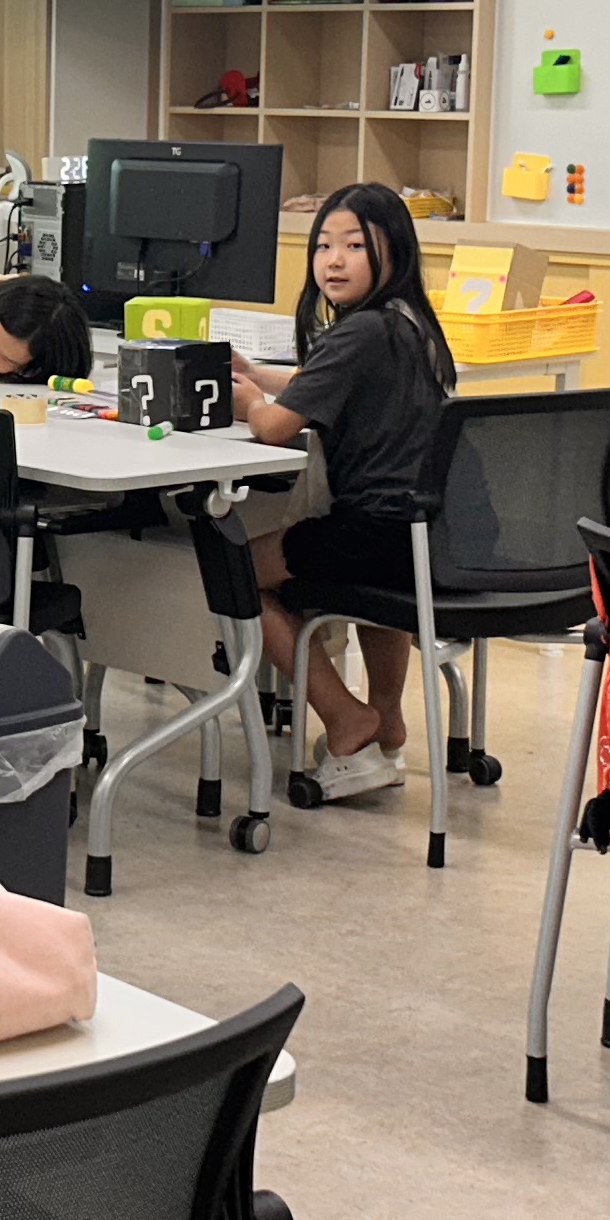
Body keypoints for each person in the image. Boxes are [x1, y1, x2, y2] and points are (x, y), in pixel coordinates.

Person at [229, 186, 460, 803]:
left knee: (234, 571)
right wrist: (258, 374)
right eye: (324, 246)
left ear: (394, 252)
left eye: (355, 246)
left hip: (371, 533)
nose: (334, 260)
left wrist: (249, 400)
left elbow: (275, 427)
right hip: (424, 537)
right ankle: (387, 723)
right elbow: (321, 381)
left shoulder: (356, 333)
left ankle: (345, 718)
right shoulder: (411, 325)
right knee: (372, 591)